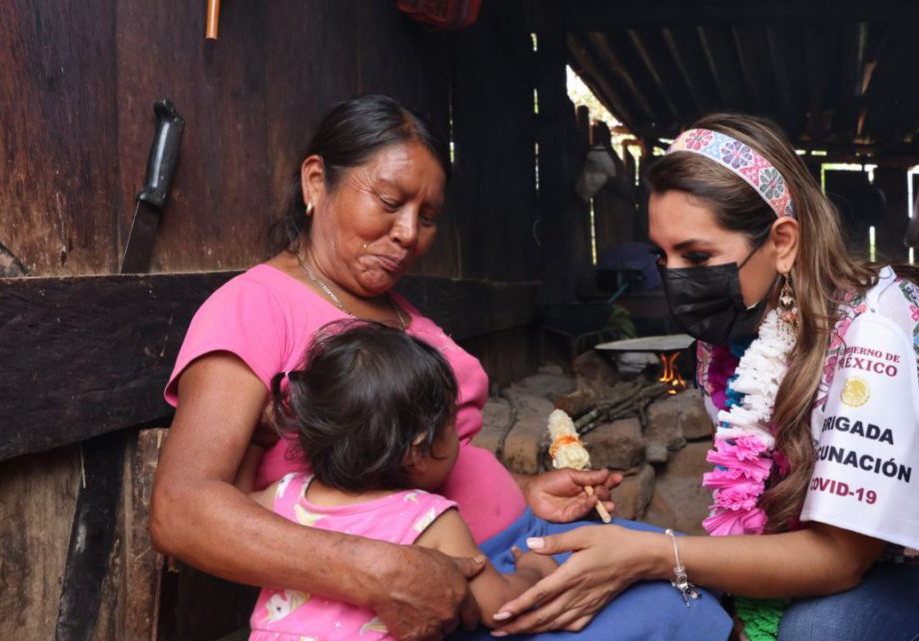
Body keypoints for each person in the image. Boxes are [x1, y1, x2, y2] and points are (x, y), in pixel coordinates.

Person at [149, 93, 731, 641]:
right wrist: (382, 571)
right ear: (316, 181)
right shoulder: (256, 307)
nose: (408, 234)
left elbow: (425, 461)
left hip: (515, 544)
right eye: (389, 201)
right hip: (457, 596)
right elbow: (183, 511)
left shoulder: (392, 307)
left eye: (427, 216)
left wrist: (523, 490)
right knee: (680, 607)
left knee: (682, 574)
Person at [489, 114, 919, 641]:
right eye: (662, 257)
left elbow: (837, 561)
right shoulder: (733, 337)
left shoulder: (877, 337)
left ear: (782, 243)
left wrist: (656, 555)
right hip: (884, 565)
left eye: (696, 257)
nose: (674, 278)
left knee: (820, 630)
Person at [247, 320, 557, 640]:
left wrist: (257, 442)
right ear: (417, 450)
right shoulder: (430, 520)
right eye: (452, 420)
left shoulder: (283, 496)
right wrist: (534, 569)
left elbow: (234, 506)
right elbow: (499, 607)